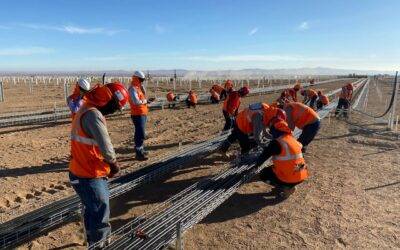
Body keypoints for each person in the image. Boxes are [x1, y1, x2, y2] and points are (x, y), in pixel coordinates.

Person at [69, 82, 129, 246]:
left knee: (91, 209)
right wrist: (114, 164)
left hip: (80, 168)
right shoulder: (93, 114)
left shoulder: (85, 107)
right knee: (100, 213)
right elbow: (106, 147)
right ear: (108, 100)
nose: (114, 111)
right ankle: (99, 245)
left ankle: (91, 242)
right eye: (115, 107)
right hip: (88, 174)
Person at [256, 120, 308, 199]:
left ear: (275, 131)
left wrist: (256, 165)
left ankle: (286, 188)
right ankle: (288, 185)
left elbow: (263, 156)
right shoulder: (293, 139)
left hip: (291, 178)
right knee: (275, 168)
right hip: (302, 174)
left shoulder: (277, 142)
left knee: (264, 174)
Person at [219, 103, 286, 155]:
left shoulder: (267, 111)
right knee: (246, 146)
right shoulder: (259, 116)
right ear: (274, 117)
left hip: (241, 117)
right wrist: (266, 149)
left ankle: (222, 149)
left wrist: (274, 138)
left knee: (234, 136)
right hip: (242, 123)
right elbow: (257, 137)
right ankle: (243, 159)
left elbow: (265, 132)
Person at [128, 70, 150, 161]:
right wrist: (145, 101)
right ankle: (138, 153)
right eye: (141, 80)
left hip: (142, 113)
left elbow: (143, 98)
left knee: (141, 133)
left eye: (143, 80)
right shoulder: (132, 88)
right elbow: (136, 102)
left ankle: (141, 149)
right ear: (136, 78)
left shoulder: (138, 87)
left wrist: (145, 97)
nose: (142, 81)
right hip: (137, 114)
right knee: (140, 133)